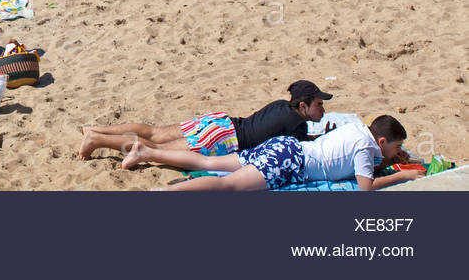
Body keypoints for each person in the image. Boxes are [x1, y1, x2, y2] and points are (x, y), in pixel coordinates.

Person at [125, 115, 423, 192]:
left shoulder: (358, 130)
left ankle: (146, 151)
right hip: (290, 163)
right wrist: (403, 175)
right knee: (228, 186)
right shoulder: (365, 149)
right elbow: (364, 188)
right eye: (396, 147)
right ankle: (163, 191)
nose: (398, 152)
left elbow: (368, 158)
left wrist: (392, 158)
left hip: (283, 147)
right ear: (382, 141)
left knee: (209, 162)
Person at [80, 79, 334, 159]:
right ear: (303, 106)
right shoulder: (296, 124)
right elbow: (307, 149)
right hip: (225, 140)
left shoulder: (281, 105)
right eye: (319, 105)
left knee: (153, 132)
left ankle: (96, 129)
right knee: (155, 148)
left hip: (222, 122)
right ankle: (96, 140)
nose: (322, 110)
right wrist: (324, 136)